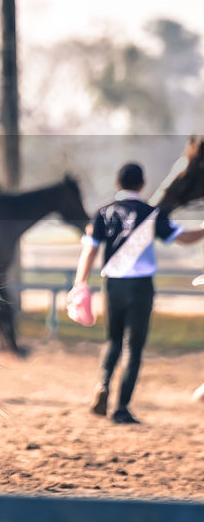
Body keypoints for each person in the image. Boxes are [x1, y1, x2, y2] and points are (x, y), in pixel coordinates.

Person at [69, 162, 204, 424]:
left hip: (113, 285)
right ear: (142, 184)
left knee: (113, 341)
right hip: (141, 286)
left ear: (118, 184)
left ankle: (103, 384)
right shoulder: (150, 213)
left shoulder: (103, 213)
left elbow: (89, 250)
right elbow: (184, 238)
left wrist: (80, 282)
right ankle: (121, 408)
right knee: (134, 347)